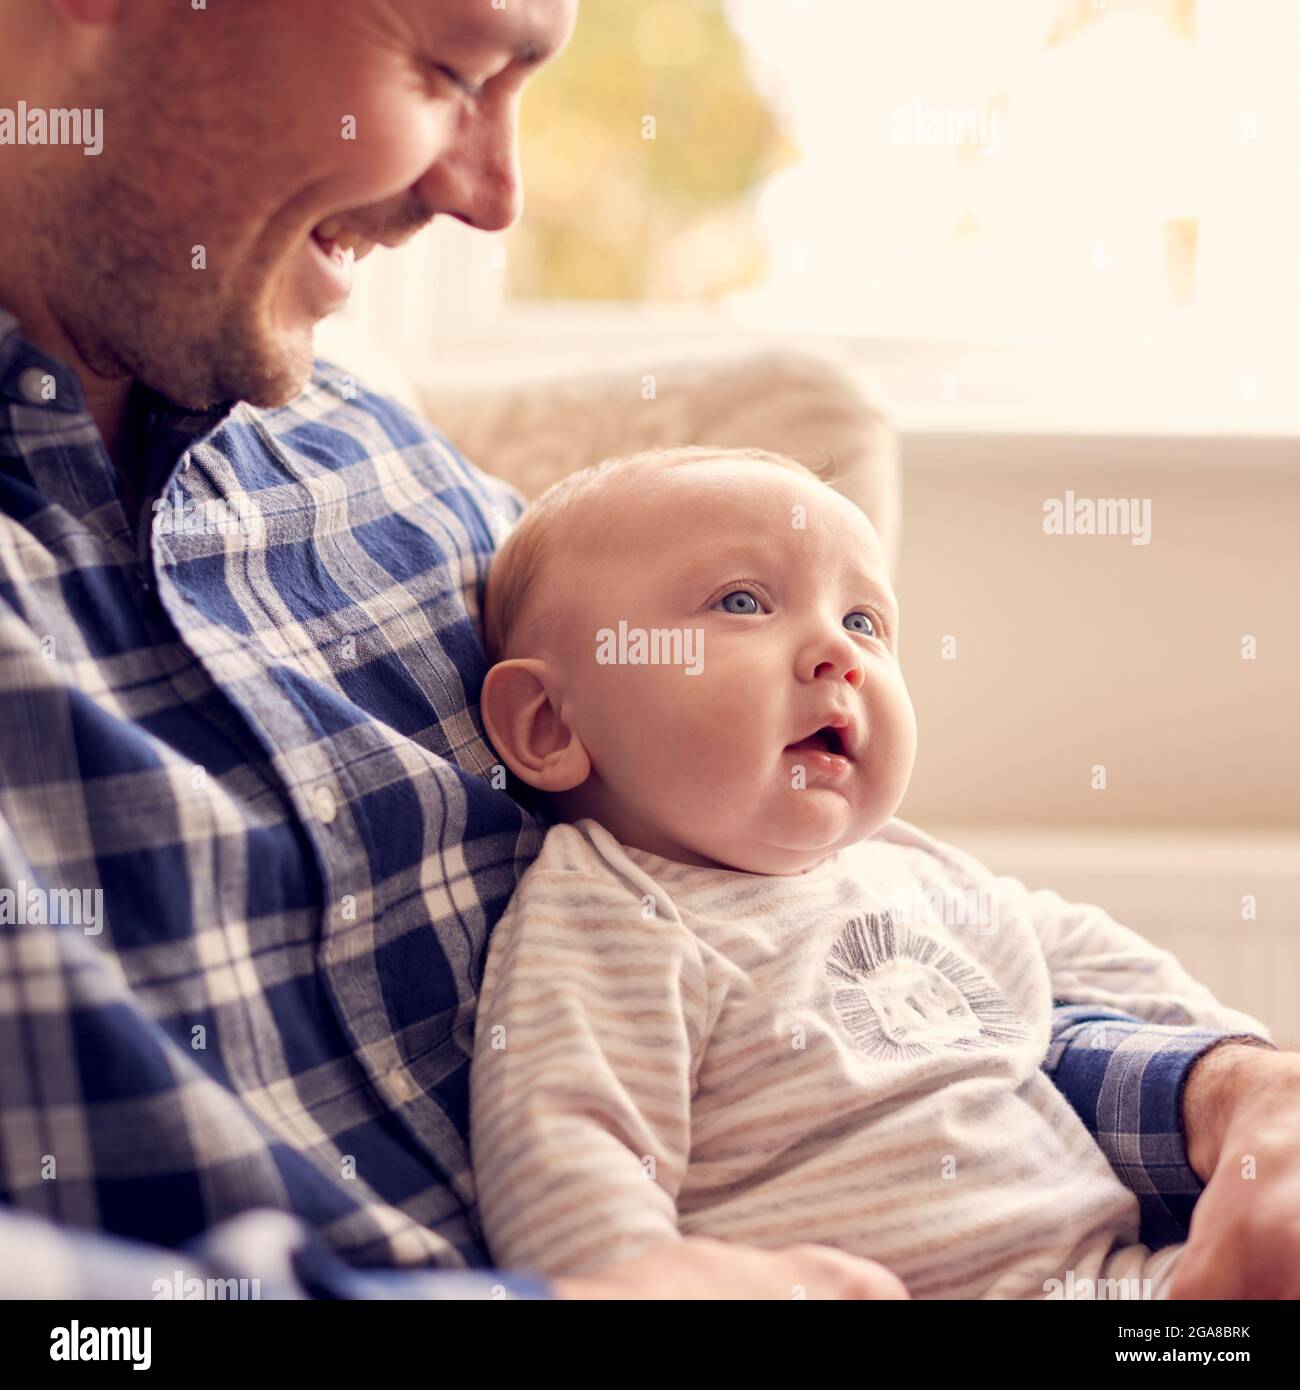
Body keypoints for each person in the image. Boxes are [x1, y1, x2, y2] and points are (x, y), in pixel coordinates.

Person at [0, 0, 1294, 1300]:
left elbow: (893, 976)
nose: (493, 195)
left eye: (864, 622)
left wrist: (1221, 1098)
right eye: (449, 69)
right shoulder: (602, 913)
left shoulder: (395, 480)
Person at [470, 444, 1274, 1298]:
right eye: (742, 602)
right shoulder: (612, 906)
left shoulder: (906, 868)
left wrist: (1255, 1081)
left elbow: (1102, 963)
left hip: (1121, 1278)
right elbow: (563, 1129)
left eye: (864, 622)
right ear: (550, 725)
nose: (836, 651)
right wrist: (636, 1268)